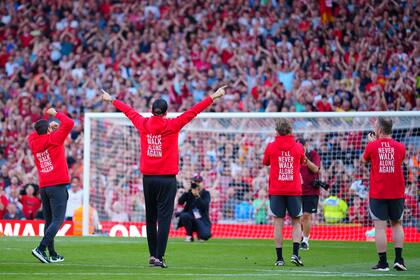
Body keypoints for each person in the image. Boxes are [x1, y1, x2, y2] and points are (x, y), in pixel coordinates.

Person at [101, 85, 226, 268]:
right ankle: (159, 257)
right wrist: (213, 97)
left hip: (148, 179)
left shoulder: (143, 123)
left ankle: (152, 256)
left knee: (150, 218)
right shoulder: (172, 125)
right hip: (167, 179)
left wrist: (111, 99)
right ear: (166, 113)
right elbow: (193, 112)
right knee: (164, 218)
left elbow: (128, 111)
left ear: (152, 111)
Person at [28, 108, 74, 263]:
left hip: (44, 186)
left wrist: (49, 128)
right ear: (47, 130)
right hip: (57, 185)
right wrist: (55, 114)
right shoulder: (54, 139)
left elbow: (36, 133)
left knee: (49, 221)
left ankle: (52, 253)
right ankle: (40, 249)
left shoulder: (33, 141)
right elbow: (69, 123)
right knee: (58, 220)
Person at [362, 117, 407, 271]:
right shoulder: (400, 147)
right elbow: (399, 161)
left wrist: (371, 143)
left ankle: (383, 263)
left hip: (379, 192)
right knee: (397, 225)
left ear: (380, 130)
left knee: (380, 228)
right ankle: (399, 260)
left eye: (375, 126)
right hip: (397, 191)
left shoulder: (372, 146)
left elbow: (364, 161)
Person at [263, 119, 305, 267]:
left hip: (277, 189)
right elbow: (301, 161)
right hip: (293, 189)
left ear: (277, 131)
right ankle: (295, 254)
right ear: (290, 131)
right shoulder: (298, 147)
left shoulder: (271, 146)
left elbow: (265, 162)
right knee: (296, 222)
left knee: (278, 223)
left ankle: (279, 259)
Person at [296, 138, 320, 250]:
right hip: (298, 191)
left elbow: (315, 169)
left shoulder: (313, 154)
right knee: (299, 218)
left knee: (306, 215)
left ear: (306, 146)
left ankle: (305, 240)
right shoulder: (295, 156)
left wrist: (305, 159)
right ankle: (302, 235)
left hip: (311, 191)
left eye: (301, 147)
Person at [176, 174, 211, 242]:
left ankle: (199, 234)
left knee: (205, 236)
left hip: (201, 219)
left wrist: (197, 196)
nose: (197, 184)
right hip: (190, 217)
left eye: (199, 182)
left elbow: (205, 206)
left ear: (202, 183)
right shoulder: (189, 192)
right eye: (196, 182)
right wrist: (186, 192)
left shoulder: (206, 193)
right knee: (184, 215)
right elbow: (180, 202)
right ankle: (189, 235)